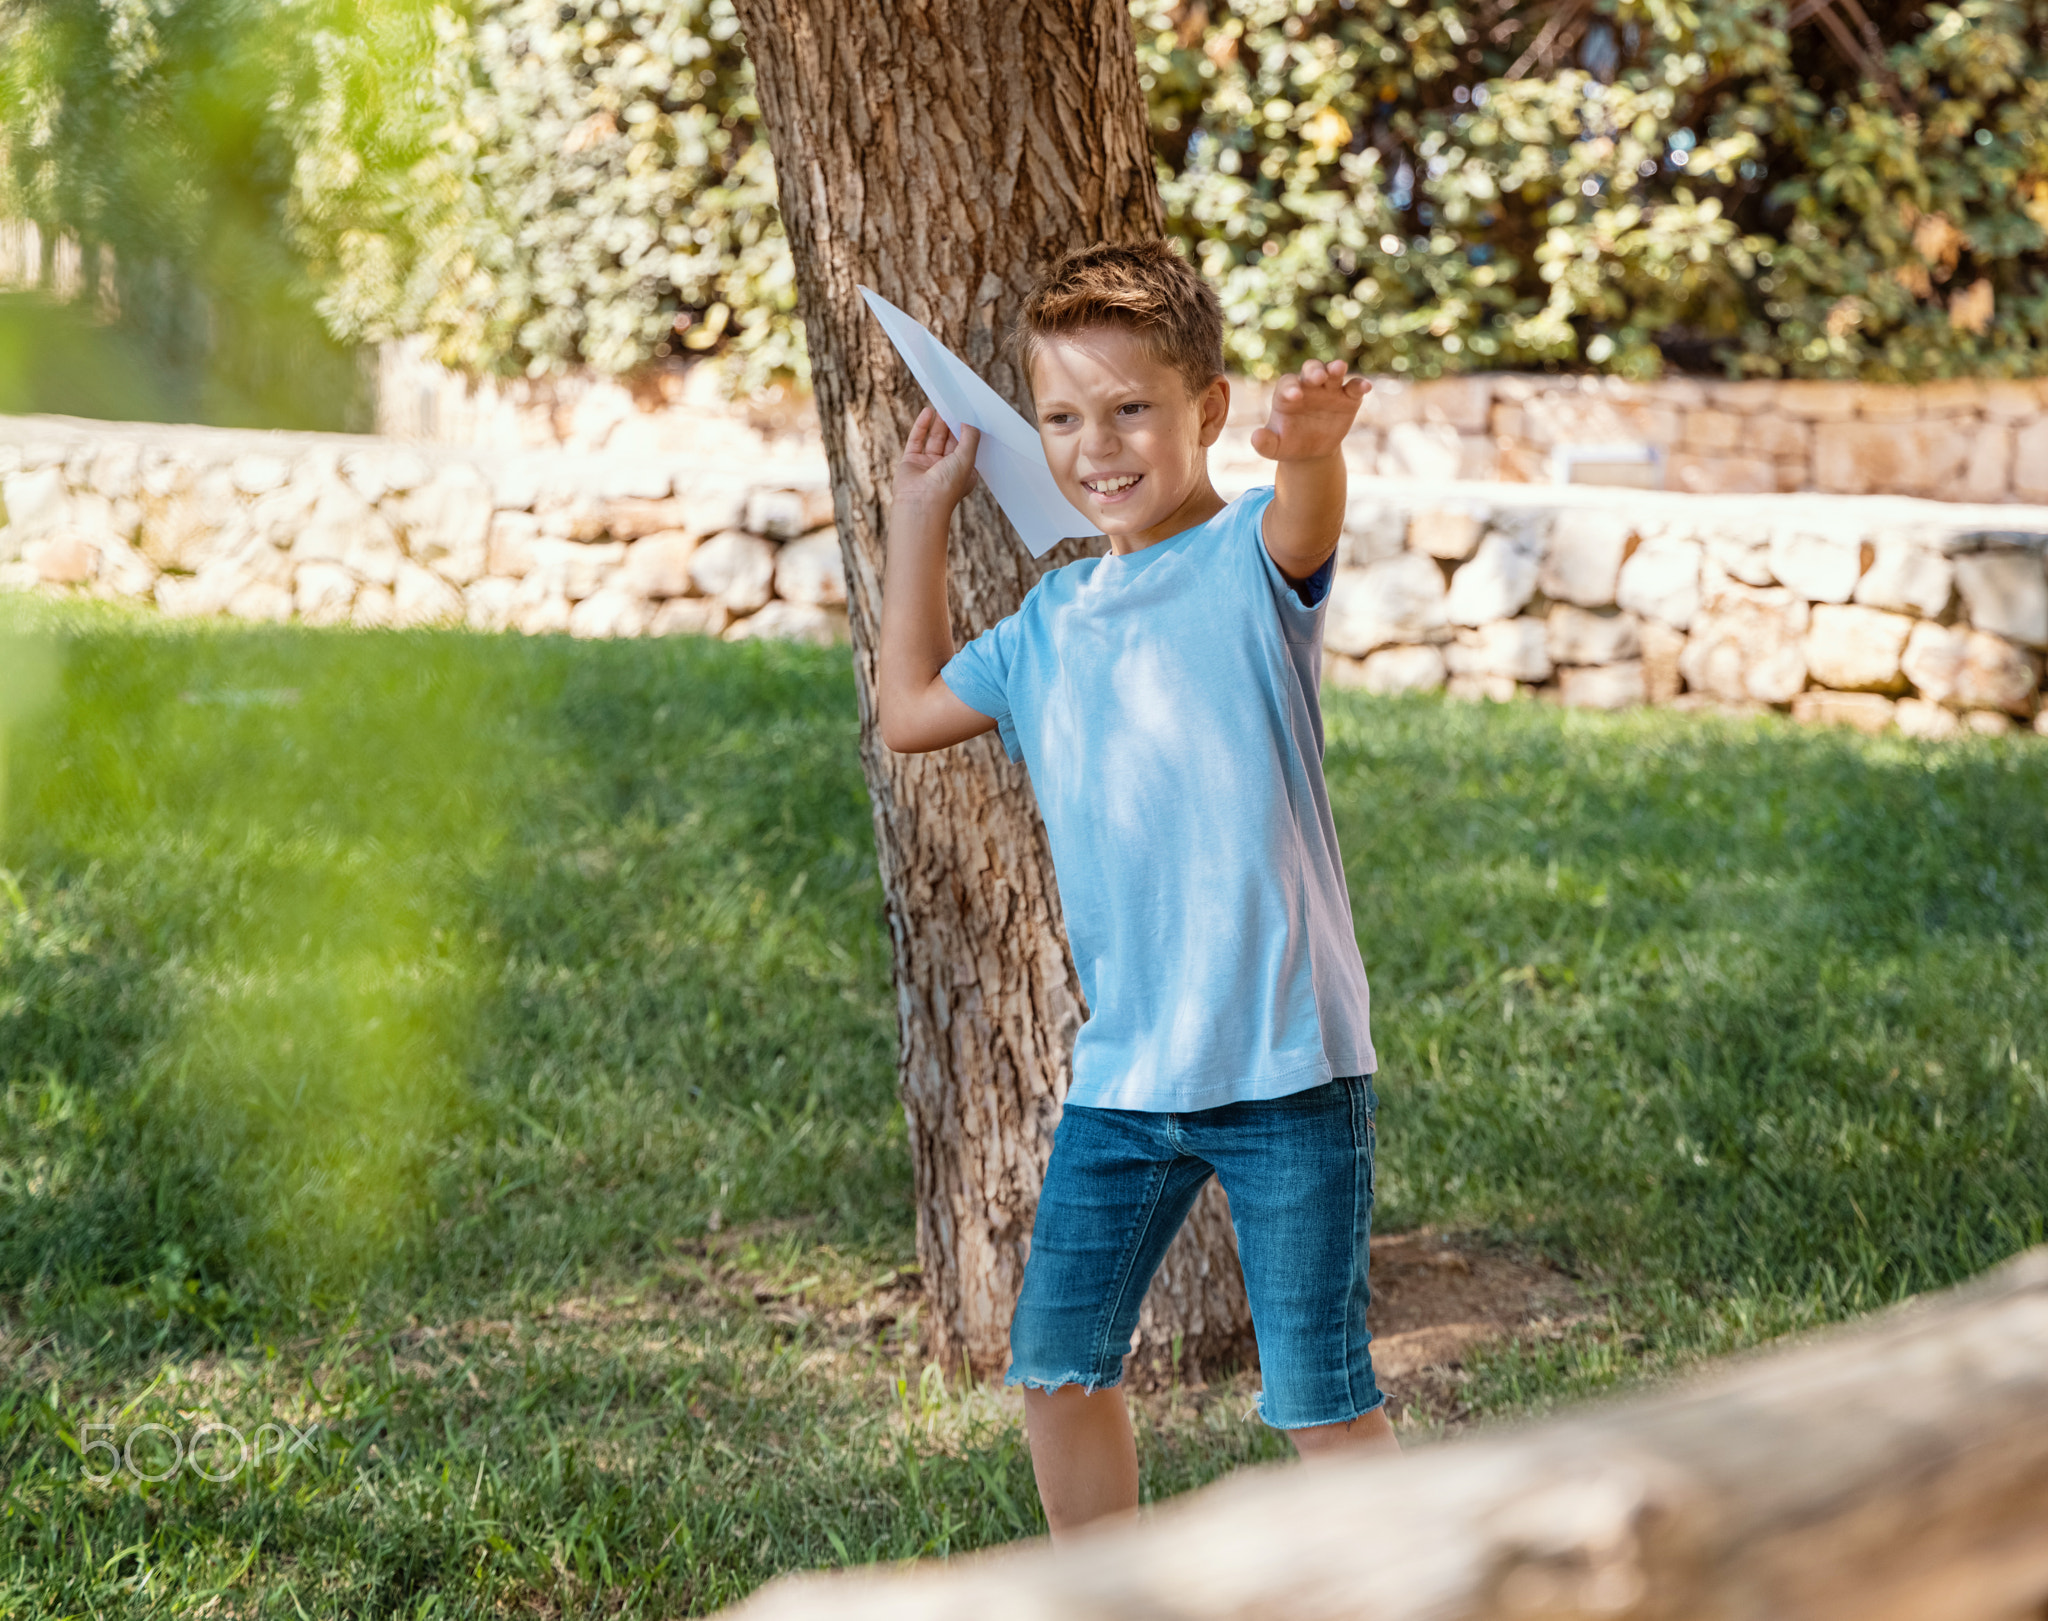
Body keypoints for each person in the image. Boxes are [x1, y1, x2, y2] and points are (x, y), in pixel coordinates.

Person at [876, 240, 1394, 1540]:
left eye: (1129, 409)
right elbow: (909, 711)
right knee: (1056, 1367)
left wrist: (1312, 450)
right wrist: (921, 515)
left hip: (1287, 1066)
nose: (1096, 447)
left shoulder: (1247, 563)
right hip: (1126, 1079)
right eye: (1061, 418)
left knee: (1320, 1401)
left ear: (1206, 409)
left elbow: (1305, 518)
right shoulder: (1049, 624)